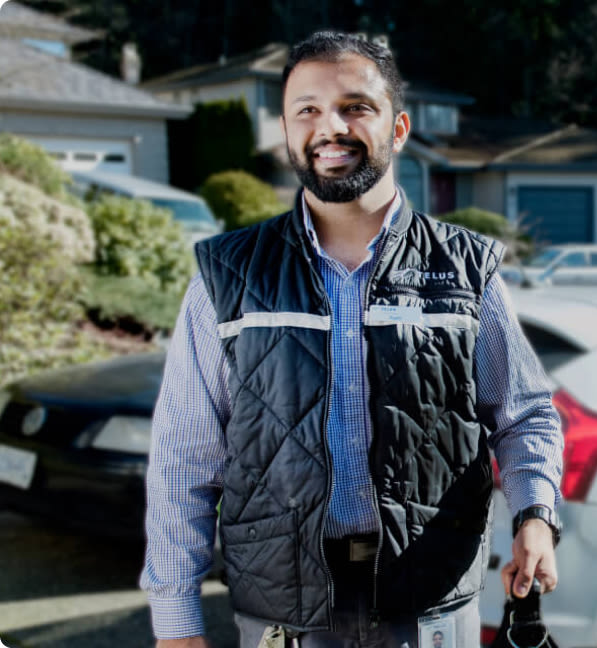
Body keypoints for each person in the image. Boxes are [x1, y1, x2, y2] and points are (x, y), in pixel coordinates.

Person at [140, 30, 564, 648]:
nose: (328, 127)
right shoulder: (228, 275)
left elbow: (526, 416)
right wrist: (175, 623)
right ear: (286, 130)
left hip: (433, 613)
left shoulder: (467, 270)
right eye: (306, 110)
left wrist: (536, 517)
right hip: (284, 620)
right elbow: (184, 459)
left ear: (397, 128)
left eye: (355, 107)